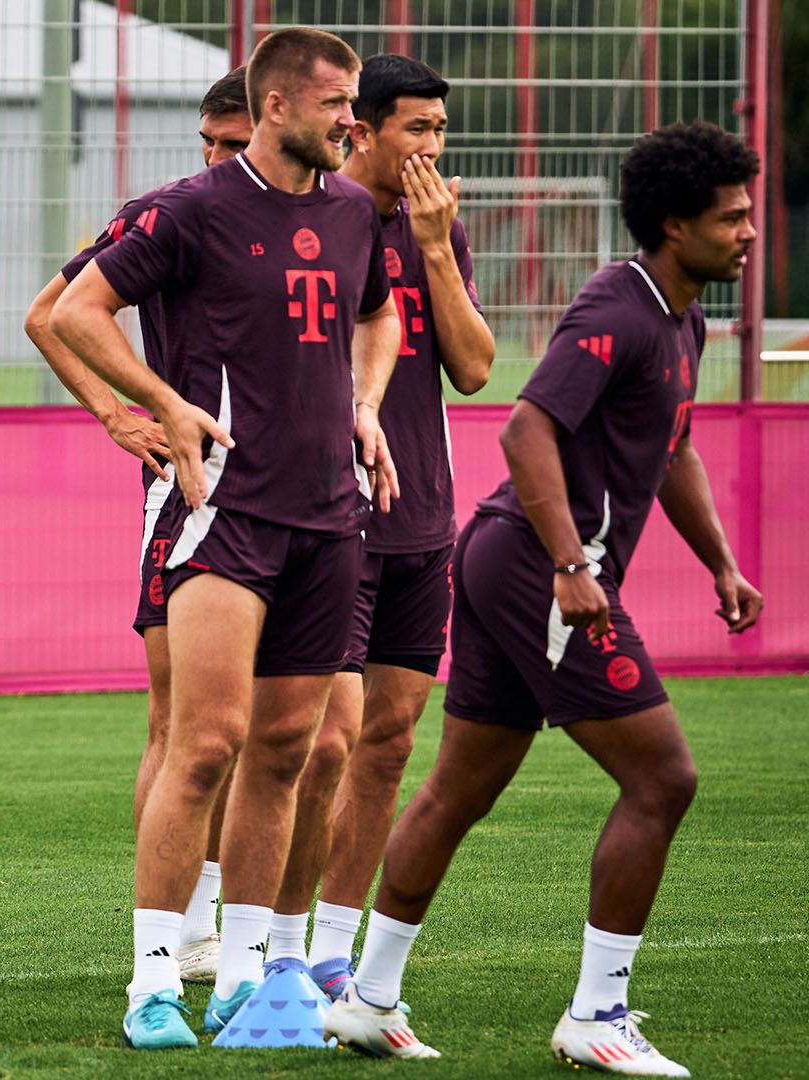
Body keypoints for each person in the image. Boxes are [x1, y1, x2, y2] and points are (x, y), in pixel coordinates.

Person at [325, 122, 762, 1076]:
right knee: (664, 779)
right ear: (674, 224)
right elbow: (525, 430)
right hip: (534, 564)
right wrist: (571, 564)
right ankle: (597, 1015)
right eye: (731, 218)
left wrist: (720, 564)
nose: (749, 232)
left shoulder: (682, 317)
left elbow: (673, 447)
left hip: (507, 557)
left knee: (458, 787)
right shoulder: (620, 303)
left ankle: (367, 999)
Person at [51, 27, 401, 1049]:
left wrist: (365, 405)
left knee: (290, 746)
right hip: (220, 512)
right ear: (282, 105)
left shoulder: (350, 210)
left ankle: (247, 978)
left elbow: (377, 318)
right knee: (205, 743)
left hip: (329, 517)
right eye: (340, 102)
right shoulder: (190, 210)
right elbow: (74, 311)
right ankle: (153, 983)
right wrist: (159, 405)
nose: (354, 120)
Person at [262, 54, 495, 998]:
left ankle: (331, 944)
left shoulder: (435, 232)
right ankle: (267, 942)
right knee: (319, 741)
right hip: (327, 520)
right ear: (362, 129)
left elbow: (475, 370)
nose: (433, 149)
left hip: (423, 520)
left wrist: (437, 251)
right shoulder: (318, 220)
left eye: (441, 130)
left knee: (391, 739)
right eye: (418, 130)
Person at [21, 65, 252, 986]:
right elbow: (49, 318)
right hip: (189, 492)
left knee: (272, 727)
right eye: (210, 142)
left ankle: (238, 919)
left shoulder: (321, 221)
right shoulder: (168, 213)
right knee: (181, 720)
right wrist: (119, 414)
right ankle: (181, 928)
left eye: (232, 145)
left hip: (294, 495)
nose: (217, 161)